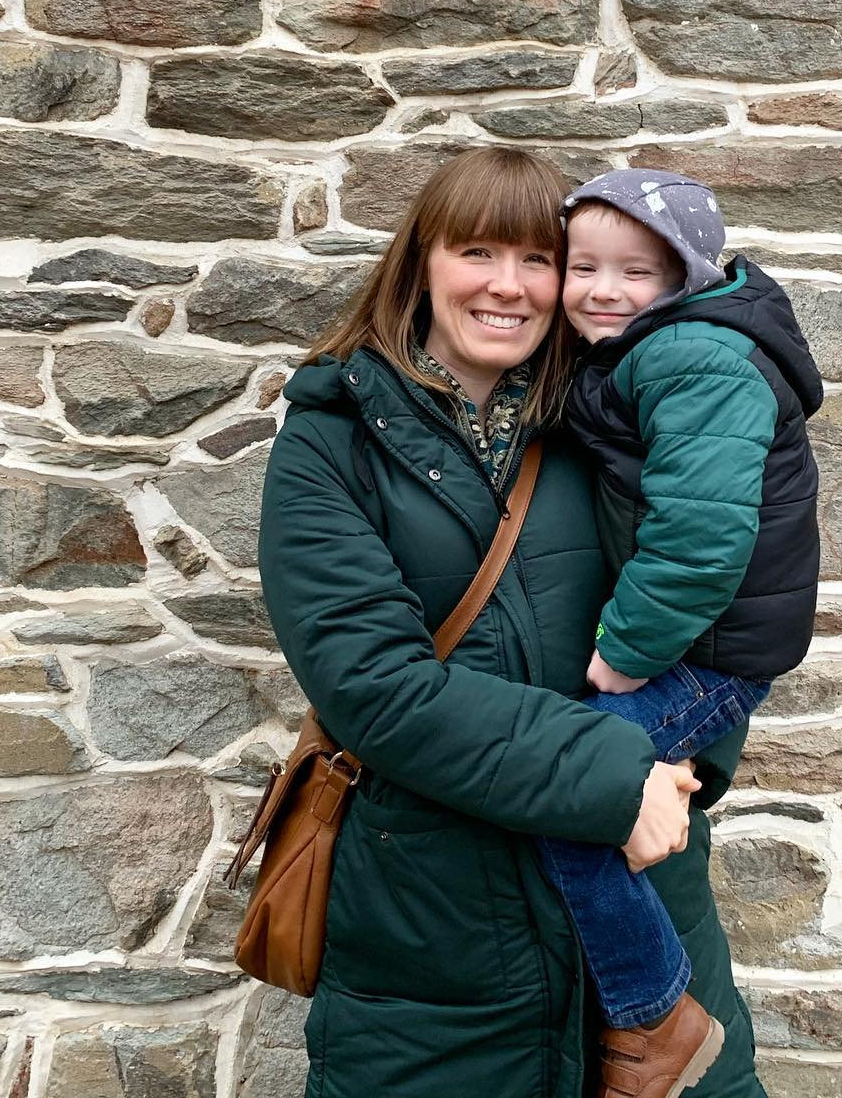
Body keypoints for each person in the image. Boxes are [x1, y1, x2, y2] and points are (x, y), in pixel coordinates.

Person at [256, 148, 767, 1098]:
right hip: (436, 944)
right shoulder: (329, 441)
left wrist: (693, 763)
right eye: (477, 252)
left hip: (647, 942)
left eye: (539, 259)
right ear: (422, 263)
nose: (509, 286)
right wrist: (616, 777)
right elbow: (375, 688)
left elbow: (719, 596)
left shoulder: (614, 416)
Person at [540, 169, 823, 1095]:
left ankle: (654, 1015)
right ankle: (656, 1014)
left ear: (687, 278)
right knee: (593, 793)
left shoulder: (691, 356)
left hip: (707, 656)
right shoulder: (644, 353)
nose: (604, 291)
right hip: (705, 648)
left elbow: (700, 539)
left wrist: (624, 655)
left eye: (637, 273)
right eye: (585, 267)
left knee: (578, 793)